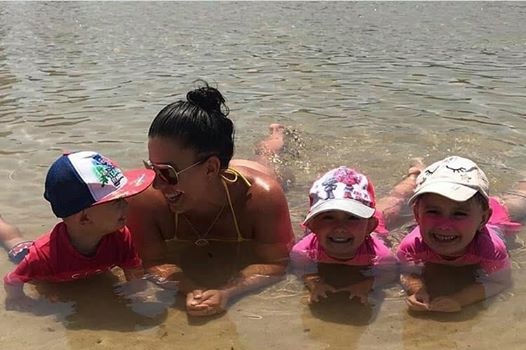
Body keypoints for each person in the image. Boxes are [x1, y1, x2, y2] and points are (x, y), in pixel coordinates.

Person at [126, 81, 295, 317]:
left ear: (211, 168)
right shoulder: (146, 201)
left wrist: (228, 291)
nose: (156, 183)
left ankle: (276, 136)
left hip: (250, 173)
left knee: (266, 158)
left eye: (167, 172)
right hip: (216, 179)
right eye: (152, 168)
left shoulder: (261, 198)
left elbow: (277, 262)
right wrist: (191, 289)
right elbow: (151, 261)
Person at [3, 151, 155, 302]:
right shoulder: (42, 256)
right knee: (13, 239)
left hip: (83, 271)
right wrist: (21, 302)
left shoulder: (121, 236)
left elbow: (133, 269)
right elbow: (12, 281)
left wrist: (137, 293)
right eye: (117, 201)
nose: (126, 204)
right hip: (41, 267)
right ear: (85, 218)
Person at [397, 155, 524, 313]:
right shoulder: (411, 245)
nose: (444, 226)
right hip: (474, 211)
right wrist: (417, 289)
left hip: (498, 217)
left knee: (521, 200)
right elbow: (406, 271)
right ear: (417, 214)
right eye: (433, 211)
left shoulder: (490, 248)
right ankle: (417, 171)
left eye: (459, 214)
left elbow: (499, 281)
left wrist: (461, 299)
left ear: (483, 219)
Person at [290, 165, 420, 304]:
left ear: (370, 226)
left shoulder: (380, 256)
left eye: (352, 217)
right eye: (328, 217)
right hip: (361, 221)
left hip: (376, 225)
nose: (340, 227)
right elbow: (301, 270)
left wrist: (366, 286)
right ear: (311, 225)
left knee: (395, 201)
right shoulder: (302, 252)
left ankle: (413, 176)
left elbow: (388, 274)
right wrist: (314, 283)